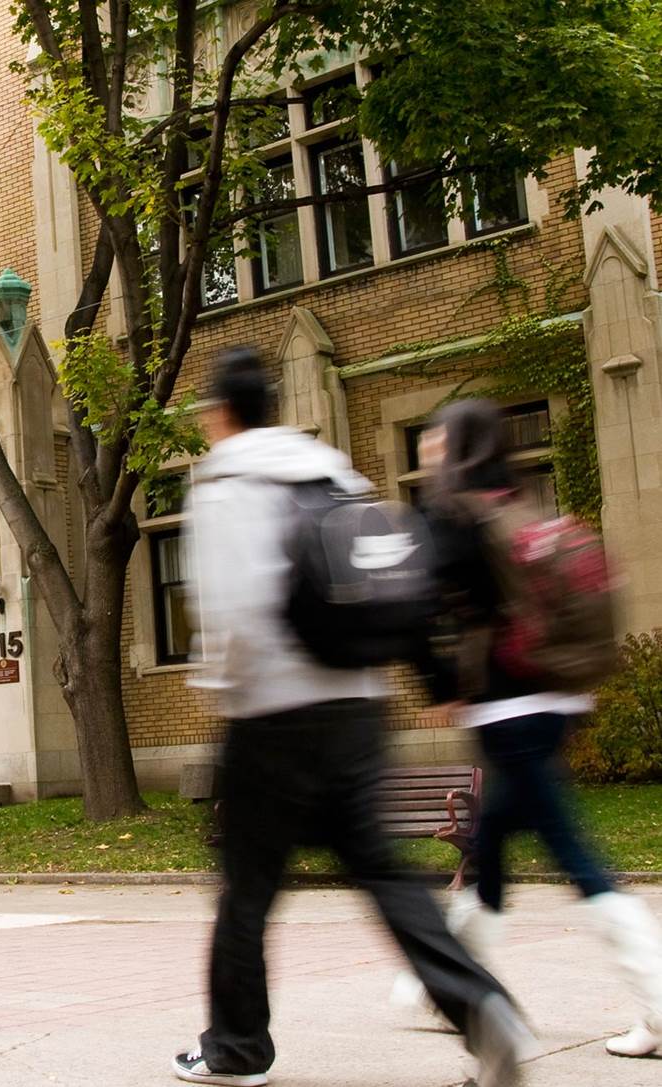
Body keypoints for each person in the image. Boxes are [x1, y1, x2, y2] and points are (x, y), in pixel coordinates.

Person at [172, 348, 530, 1087]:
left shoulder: (224, 480)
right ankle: (480, 1002)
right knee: (383, 869)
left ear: (218, 413)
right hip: (360, 706)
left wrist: (223, 691)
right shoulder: (334, 469)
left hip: (273, 711)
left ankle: (236, 1047)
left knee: (245, 887)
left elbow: (234, 611)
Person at [408, 397, 662, 1059]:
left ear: (454, 445)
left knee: (575, 854)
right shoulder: (520, 505)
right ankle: (452, 987)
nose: (429, 447)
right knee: (491, 841)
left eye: (436, 438)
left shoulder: (457, 514)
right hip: (557, 702)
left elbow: (422, 605)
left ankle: (661, 1005)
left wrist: (440, 682)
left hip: (506, 709)